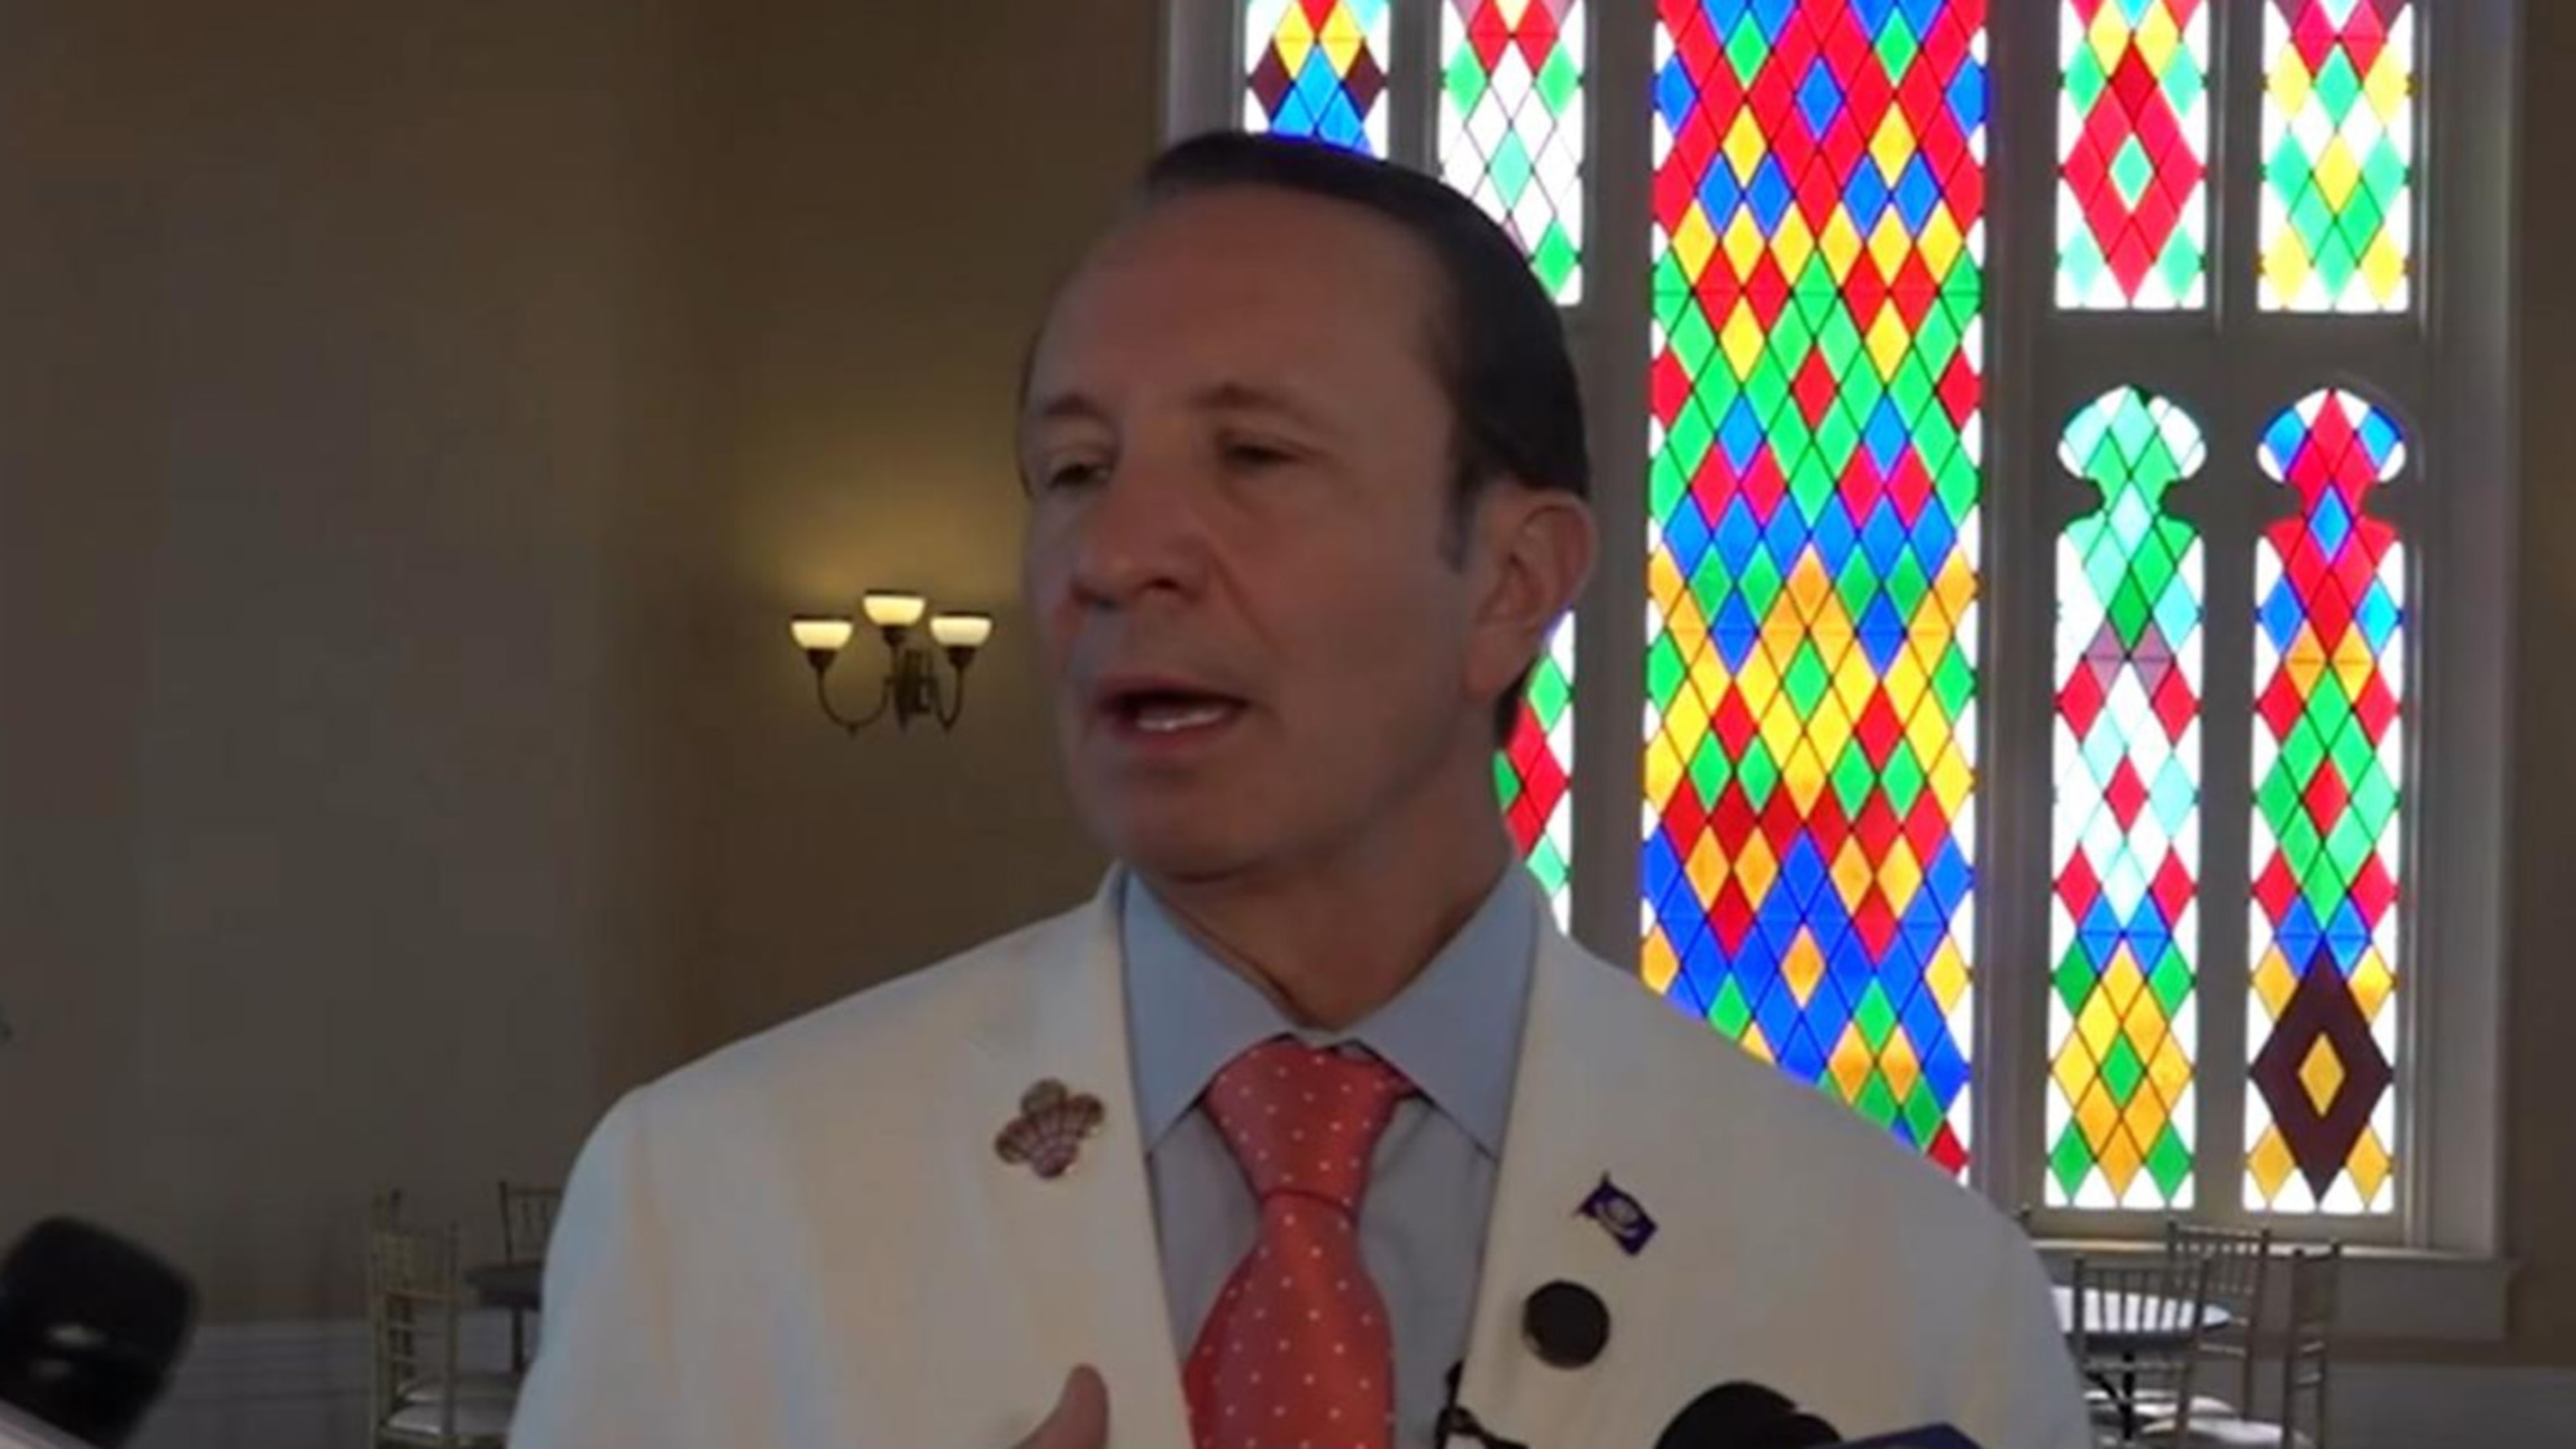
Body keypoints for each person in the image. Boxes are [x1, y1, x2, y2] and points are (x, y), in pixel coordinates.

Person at [511, 133, 2089, 1449]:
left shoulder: (1910, 1294)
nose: (1117, 554)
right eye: (1075, 470)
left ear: (1513, 582)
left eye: (1253, 456)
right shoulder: (710, 1204)